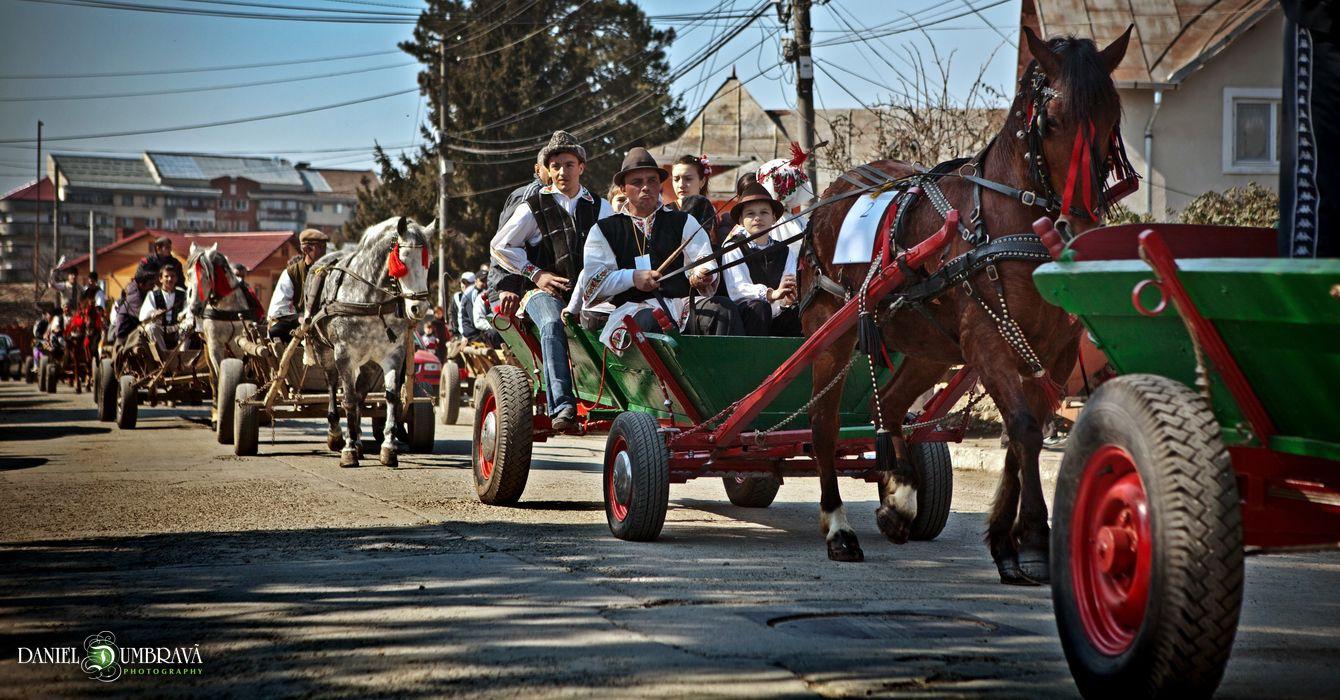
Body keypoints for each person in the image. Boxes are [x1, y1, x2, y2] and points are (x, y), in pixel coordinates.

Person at [491, 130, 614, 431]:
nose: (562, 171)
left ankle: (613, 399)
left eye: (569, 164)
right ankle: (562, 405)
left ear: (581, 167)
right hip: (540, 293)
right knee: (551, 323)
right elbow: (500, 245)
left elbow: (615, 251)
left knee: (616, 322)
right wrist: (536, 274)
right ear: (547, 169)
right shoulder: (532, 206)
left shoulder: (601, 207)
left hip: (588, 294)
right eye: (556, 165)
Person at [582, 147, 744, 350]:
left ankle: (720, 379)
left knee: (723, 310)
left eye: (652, 181)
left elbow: (703, 256)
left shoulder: (684, 221)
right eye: (637, 182)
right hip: (632, 311)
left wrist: (702, 274)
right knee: (650, 322)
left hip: (681, 306)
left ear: (659, 185)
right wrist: (633, 278)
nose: (646, 187)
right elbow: (592, 284)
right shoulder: (603, 230)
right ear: (623, 189)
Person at [720, 182, 801, 336]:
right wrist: (771, 294)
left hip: (777, 312)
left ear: (774, 218)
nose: (757, 218)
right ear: (741, 220)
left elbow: (789, 282)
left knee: (798, 312)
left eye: (764, 212)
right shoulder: (733, 248)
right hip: (745, 318)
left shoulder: (785, 251)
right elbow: (738, 290)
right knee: (759, 307)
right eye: (750, 214)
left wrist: (787, 298)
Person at [267, 229, 329, 344]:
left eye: (325, 247)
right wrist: (298, 319)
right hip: (299, 324)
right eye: (320, 247)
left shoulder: (331, 271)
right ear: (306, 249)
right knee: (275, 331)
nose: (324, 252)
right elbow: (278, 311)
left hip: (325, 321)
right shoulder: (291, 273)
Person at [668, 154, 731, 249]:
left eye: (688, 179)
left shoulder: (704, 206)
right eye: (676, 179)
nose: (681, 184)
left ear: (702, 181)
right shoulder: (666, 210)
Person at [139, 265, 190, 359]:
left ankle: (181, 358)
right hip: (161, 328)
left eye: (172, 276)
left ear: (176, 278)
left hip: (178, 328)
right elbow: (142, 316)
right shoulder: (153, 295)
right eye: (166, 276)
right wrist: (153, 313)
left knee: (188, 328)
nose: (170, 279)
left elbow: (188, 309)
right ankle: (164, 358)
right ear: (161, 279)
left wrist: (184, 316)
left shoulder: (183, 294)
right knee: (151, 327)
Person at [497, 152, 554, 229]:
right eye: (552, 167)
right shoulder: (525, 196)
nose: (557, 172)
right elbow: (506, 238)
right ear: (537, 169)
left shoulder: (565, 195)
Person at [110, 269, 156, 346]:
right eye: (151, 284)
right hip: (125, 334)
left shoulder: (141, 292)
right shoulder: (135, 298)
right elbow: (143, 317)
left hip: (134, 331)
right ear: (141, 284)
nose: (153, 287)